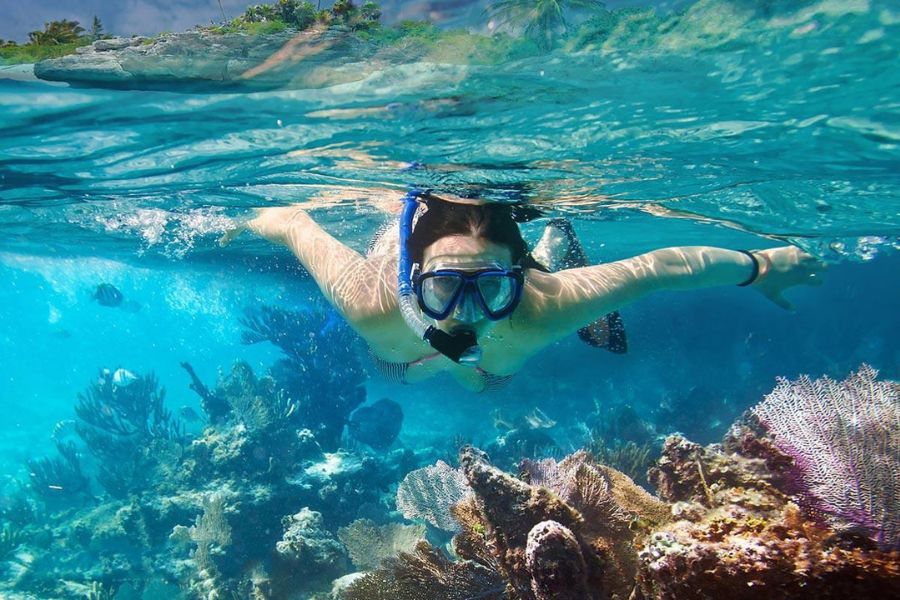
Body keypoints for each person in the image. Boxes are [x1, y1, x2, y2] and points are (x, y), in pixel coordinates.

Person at [226, 191, 823, 392]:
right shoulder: (370, 299)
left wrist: (760, 265)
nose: (465, 312)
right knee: (416, 367)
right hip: (402, 357)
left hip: (520, 296)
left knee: (486, 380)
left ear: (516, 280)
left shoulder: (544, 304)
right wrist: (231, 225)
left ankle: (551, 246)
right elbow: (292, 221)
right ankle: (544, 251)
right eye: (443, 288)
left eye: (489, 288)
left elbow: (662, 265)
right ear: (413, 283)